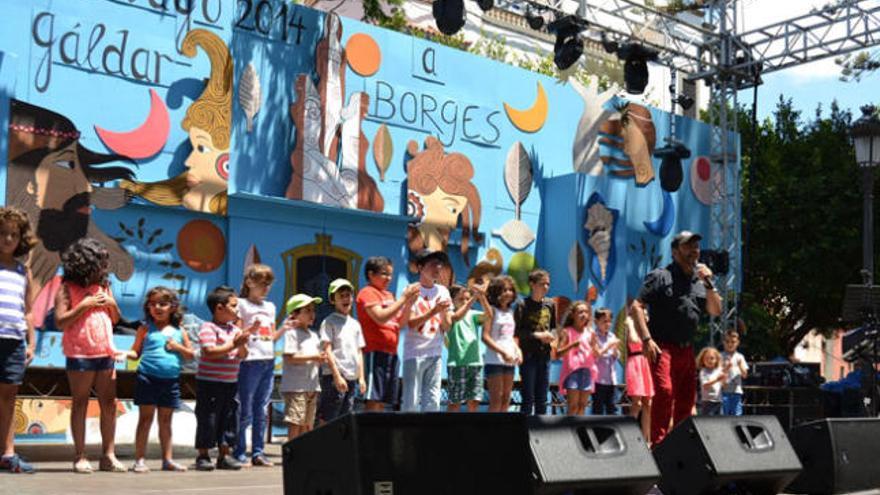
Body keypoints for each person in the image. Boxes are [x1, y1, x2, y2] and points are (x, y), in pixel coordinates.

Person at [631, 231, 722, 445]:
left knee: (687, 398)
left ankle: (680, 449)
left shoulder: (700, 281)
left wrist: (708, 282)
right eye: (688, 246)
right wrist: (646, 339)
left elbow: (716, 310)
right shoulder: (660, 276)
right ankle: (659, 446)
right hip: (662, 347)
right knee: (664, 392)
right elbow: (637, 306)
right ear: (674, 251)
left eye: (696, 246)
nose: (694, 251)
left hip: (686, 349)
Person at [54, 238, 124, 474]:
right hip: (80, 353)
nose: (104, 268)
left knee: (109, 404)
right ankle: (80, 455)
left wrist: (112, 303)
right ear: (84, 263)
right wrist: (84, 305)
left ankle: (108, 455)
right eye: (100, 263)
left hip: (105, 351)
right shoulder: (66, 287)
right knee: (81, 402)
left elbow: (115, 319)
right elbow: (61, 321)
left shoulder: (105, 286)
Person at [126, 287, 194, 473]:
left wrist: (177, 346)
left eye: (162, 304)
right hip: (147, 378)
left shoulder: (180, 331)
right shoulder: (145, 328)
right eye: (153, 304)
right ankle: (139, 460)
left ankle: (168, 459)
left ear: (172, 307)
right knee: (145, 419)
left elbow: (190, 355)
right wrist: (125, 354)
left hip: (170, 381)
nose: (157, 307)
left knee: (166, 421)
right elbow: (135, 351)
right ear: (147, 307)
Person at [194, 286, 254, 471]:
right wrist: (233, 344)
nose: (237, 310)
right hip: (209, 384)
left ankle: (224, 454)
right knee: (208, 419)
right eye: (234, 306)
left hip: (230, 383)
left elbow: (242, 355)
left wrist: (242, 343)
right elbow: (209, 351)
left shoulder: (235, 330)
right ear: (220, 308)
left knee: (229, 419)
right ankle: (203, 455)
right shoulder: (208, 328)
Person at [0, 207, 37, 473]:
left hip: (14, 342)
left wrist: (32, 343)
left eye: (13, 234)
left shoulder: (24, 272)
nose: (8, 239)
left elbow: (28, 311)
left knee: (9, 398)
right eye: (2, 233)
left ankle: (8, 452)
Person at [357, 257, 419, 412]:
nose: (389, 278)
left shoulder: (390, 296)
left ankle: (378, 433)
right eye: (384, 274)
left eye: (391, 274)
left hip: (391, 352)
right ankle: (368, 434)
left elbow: (400, 323)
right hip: (374, 352)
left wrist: (409, 304)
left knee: (384, 399)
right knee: (373, 397)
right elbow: (380, 317)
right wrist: (403, 298)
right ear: (371, 274)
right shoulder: (367, 293)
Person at [234, 264, 278, 467]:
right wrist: (250, 330)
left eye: (268, 284)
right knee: (245, 407)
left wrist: (285, 328)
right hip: (249, 361)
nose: (266, 288)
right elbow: (237, 334)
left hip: (268, 360)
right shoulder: (241, 304)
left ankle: (258, 451)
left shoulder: (270, 307)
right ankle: (240, 449)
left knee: (262, 408)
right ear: (250, 282)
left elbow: (271, 336)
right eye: (262, 283)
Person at [402, 250, 453, 412]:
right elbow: (411, 323)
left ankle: (429, 436)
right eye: (432, 264)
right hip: (414, 354)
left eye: (439, 264)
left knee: (433, 401)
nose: (437, 267)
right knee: (411, 401)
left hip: (435, 353)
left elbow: (447, 326)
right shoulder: (411, 290)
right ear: (420, 267)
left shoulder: (443, 291)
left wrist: (444, 312)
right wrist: (434, 311)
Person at [318, 279, 366, 423]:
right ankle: (325, 444)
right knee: (329, 416)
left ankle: (341, 445)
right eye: (341, 296)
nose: (346, 299)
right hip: (334, 377)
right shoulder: (329, 322)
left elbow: (359, 352)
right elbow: (327, 350)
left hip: (352, 378)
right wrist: (337, 376)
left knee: (346, 417)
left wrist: (361, 377)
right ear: (333, 300)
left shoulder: (355, 324)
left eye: (348, 295)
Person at [281, 294, 325, 440]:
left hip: (312, 386)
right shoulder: (291, 333)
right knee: (295, 422)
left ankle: (304, 457)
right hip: (296, 387)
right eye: (307, 311)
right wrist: (313, 357)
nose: (312, 314)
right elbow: (289, 358)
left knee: (307, 424)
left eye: (313, 310)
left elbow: (316, 358)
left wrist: (321, 358)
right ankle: (292, 456)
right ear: (294, 314)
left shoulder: (314, 335)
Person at [515, 269, 557, 416]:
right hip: (528, 356)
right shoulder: (522, 305)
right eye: (542, 284)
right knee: (528, 398)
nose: (545, 287)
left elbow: (553, 328)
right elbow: (518, 332)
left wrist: (552, 335)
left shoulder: (550, 304)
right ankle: (524, 431)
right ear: (532, 284)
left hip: (544, 355)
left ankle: (542, 431)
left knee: (542, 398)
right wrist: (538, 335)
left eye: (548, 284)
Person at [445, 283, 489, 412]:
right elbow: (457, 317)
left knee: (474, 401)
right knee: (455, 402)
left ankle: (472, 430)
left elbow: (489, 315)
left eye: (467, 298)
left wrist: (482, 297)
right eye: (461, 299)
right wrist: (474, 297)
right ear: (452, 300)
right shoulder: (448, 314)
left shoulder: (473, 314)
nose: (465, 302)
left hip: (475, 363)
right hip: (457, 364)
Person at [482, 275, 521, 412]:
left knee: (506, 398)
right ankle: (490, 431)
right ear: (496, 292)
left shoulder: (511, 312)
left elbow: (510, 336)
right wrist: (502, 352)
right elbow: (485, 337)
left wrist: (518, 351)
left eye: (510, 290)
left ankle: (502, 430)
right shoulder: (491, 310)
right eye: (504, 290)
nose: (508, 293)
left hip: (509, 361)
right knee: (496, 399)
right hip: (494, 360)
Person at [555, 302, 598, 416]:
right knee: (573, 406)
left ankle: (579, 431)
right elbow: (558, 353)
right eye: (580, 312)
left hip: (587, 371)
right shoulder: (567, 331)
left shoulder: (590, 332)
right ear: (573, 315)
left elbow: (596, 354)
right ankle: (569, 431)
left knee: (582, 406)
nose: (583, 315)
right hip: (572, 372)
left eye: (586, 312)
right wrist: (572, 345)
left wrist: (594, 345)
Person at [624, 305, 654, 444]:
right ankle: (629, 438)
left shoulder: (648, 329)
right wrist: (632, 323)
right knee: (637, 403)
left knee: (648, 403)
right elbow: (634, 340)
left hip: (645, 363)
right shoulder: (630, 324)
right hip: (635, 362)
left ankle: (646, 440)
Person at [592, 308, 620, 415]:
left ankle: (611, 431)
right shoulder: (594, 336)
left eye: (609, 321)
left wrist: (615, 351)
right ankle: (597, 431)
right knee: (598, 409)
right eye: (604, 321)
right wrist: (608, 347)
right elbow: (596, 355)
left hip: (611, 380)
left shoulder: (612, 336)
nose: (608, 324)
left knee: (612, 408)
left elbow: (614, 357)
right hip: (598, 380)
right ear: (596, 322)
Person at [721, 330, 749, 416]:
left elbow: (745, 375)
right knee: (723, 417)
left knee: (737, 416)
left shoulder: (740, 357)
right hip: (723, 392)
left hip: (736, 392)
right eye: (727, 341)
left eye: (733, 342)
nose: (730, 344)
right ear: (723, 342)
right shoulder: (719, 356)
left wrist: (740, 365)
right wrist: (726, 368)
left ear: (737, 343)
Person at [697, 347, 725, 416]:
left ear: (716, 359)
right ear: (702, 360)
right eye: (706, 358)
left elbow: (723, 384)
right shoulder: (703, 372)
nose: (709, 360)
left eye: (712, 358)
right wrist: (717, 379)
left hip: (718, 401)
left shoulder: (719, 370)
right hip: (707, 402)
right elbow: (705, 385)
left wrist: (724, 380)